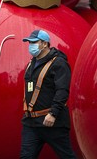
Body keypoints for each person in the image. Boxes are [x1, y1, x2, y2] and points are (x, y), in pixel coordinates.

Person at [20, 29, 76, 159]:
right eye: (29, 42)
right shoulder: (31, 63)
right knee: (26, 157)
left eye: (34, 42)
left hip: (52, 122)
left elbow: (62, 91)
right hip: (31, 122)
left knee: (66, 156)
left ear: (45, 44)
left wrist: (53, 113)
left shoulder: (59, 63)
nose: (30, 45)